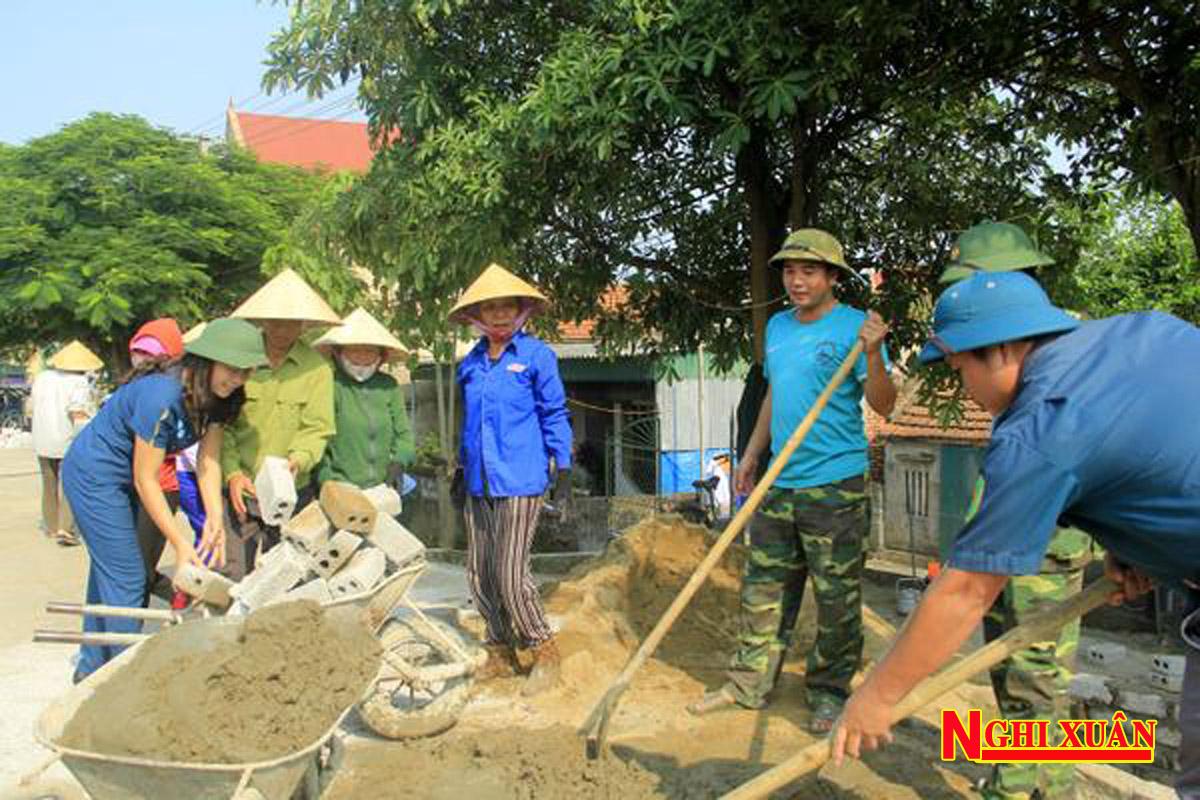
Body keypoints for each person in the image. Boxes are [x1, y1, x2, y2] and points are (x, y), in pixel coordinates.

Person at [830, 271, 1200, 800]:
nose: (964, 391)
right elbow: (1156, 450)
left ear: (1001, 348)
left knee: (1034, 689)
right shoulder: (1143, 332)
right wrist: (1134, 546)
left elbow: (963, 593)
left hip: (1026, 589)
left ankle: (1028, 788)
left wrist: (877, 696)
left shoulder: (1039, 427)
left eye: (960, 371)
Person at [689, 228, 897, 734]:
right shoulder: (778, 328)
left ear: (832, 277)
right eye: (789, 270)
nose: (797, 280)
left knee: (836, 598)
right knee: (764, 588)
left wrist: (872, 354)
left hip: (835, 485)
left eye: (808, 271)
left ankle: (828, 692)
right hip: (779, 481)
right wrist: (751, 455)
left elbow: (884, 404)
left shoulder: (856, 328)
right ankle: (748, 686)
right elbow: (774, 397)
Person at [940, 222, 1091, 800]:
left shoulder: (1058, 343)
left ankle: (1017, 788)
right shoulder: (1005, 343)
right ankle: (1051, 784)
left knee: (1035, 680)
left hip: (1048, 541)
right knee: (1012, 672)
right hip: (1014, 532)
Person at [62, 319, 268, 681]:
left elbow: (209, 461)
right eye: (233, 370)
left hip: (127, 477)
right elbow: (147, 478)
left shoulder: (220, 397)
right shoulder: (163, 394)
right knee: (128, 577)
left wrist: (215, 520)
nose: (237, 379)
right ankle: (123, 684)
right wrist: (180, 542)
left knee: (109, 574)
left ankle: (90, 671)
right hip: (95, 474)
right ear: (209, 360)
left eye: (246, 372)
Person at [450, 263, 573, 694]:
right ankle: (500, 650)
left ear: (522, 311)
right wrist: (460, 469)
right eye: (491, 308)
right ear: (478, 315)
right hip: (479, 480)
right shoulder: (472, 363)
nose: (500, 315)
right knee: (479, 571)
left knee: (508, 570)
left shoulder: (537, 356)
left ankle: (544, 649)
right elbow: (469, 422)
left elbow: (554, 414)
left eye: (508, 307)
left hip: (522, 477)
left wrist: (565, 471)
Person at [221, 269, 339, 579]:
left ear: (303, 324)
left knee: (288, 576)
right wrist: (232, 473)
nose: (283, 328)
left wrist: (299, 460)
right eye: (275, 320)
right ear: (262, 320)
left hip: (293, 488)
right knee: (235, 575)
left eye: (291, 321)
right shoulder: (238, 360)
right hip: (241, 489)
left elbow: (317, 428)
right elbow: (222, 426)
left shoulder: (317, 369)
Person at [124, 318, 188, 606]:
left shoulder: (174, 391)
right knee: (131, 568)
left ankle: (184, 598)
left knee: (140, 569)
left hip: (161, 488)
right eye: (139, 352)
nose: (142, 359)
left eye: (151, 354)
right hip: (128, 487)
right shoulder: (131, 387)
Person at [314, 308, 415, 491]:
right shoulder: (331, 385)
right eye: (354, 350)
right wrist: (327, 480)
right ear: (338, 353)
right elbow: (318, 439)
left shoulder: (388, 386)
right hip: (341, 488)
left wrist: (400, 461)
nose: (361, 357)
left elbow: (404, 435)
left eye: (369, 351)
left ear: (381, 356)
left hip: (383, 487)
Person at [31, 341, 101, 546]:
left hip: (42, 436)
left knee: (48, 482)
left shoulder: (42, 378)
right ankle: (66, 528)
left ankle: (51, 526)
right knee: (70, 482)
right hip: (67, 438)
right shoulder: (79, 382)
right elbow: (77, 411)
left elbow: (33, 404)